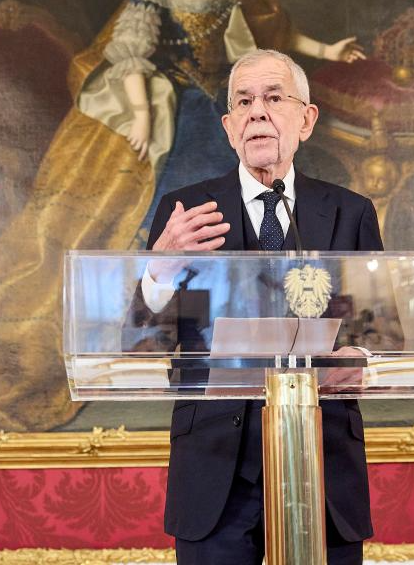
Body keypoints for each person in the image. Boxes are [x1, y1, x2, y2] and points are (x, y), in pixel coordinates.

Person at [0, 0, 365, 430]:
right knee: (178, 216)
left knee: (243, 222)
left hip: (219, 107)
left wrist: (327, 52)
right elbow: (130, 55)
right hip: (179, 110)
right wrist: (143, 117)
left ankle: (247, 337)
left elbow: (272, 37)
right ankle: (181, 340)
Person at [142, 49, 382, 565]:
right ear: (229, 127)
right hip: (215, 470)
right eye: (244, 102)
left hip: (322, 462)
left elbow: (377, 328)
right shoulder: (185, 213)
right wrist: (159, 267)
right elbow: (144, 336)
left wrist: (361, 358)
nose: (257, 112)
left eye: (274, 98)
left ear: (306, 119)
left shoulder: (350, 212)